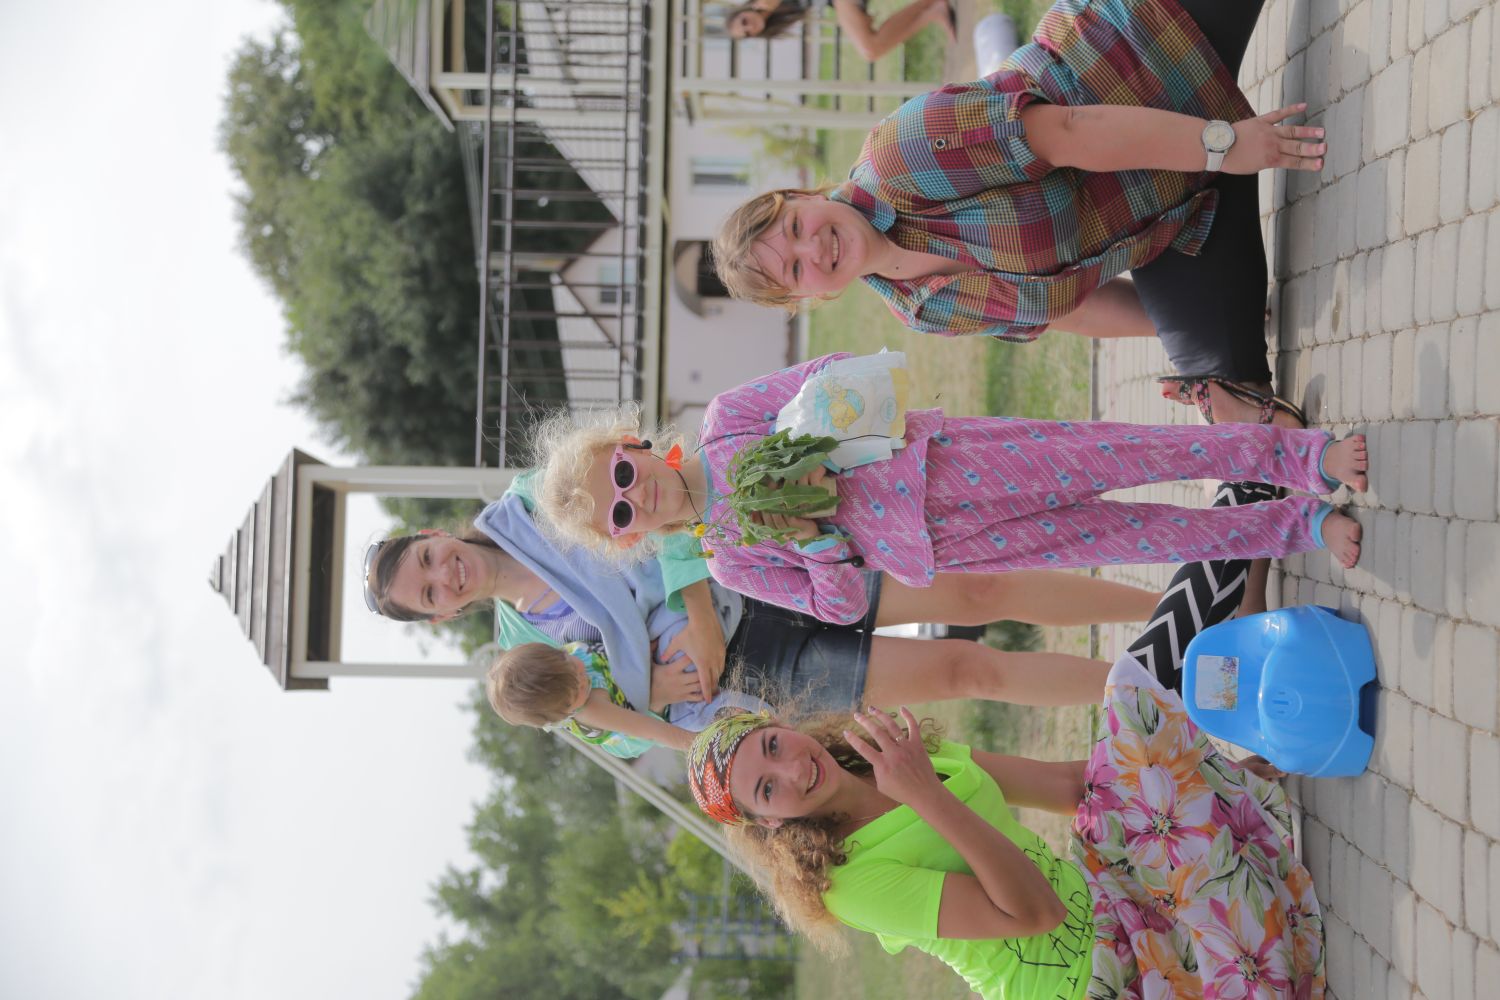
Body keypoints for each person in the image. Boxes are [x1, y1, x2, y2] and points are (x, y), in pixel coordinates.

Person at [681, 481, 1326, 998]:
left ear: (783, 726)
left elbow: (1073, 787)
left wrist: (1202, 774)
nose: (792, 770)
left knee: (1130, 689)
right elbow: (1035, 915)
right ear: (768, 824)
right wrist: (925, 795)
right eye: (768, 789)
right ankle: (1250, 522)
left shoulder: (889, 754)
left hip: (1113, 899)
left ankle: (1253, 495)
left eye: (772, 747)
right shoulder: (850, 885)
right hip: (1093, 982)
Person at [713, 0, 1324, 425]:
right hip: (1187, 213)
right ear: (806, 297)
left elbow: (1070, 131)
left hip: (1150, 51)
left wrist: (1225, 144)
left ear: (803, 196)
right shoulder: (920, 307)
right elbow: (1071, 309)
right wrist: (1185, 336)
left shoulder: (901, 155)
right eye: (795, 269)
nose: (814, 249)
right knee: (1239, 409)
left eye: (795, 227)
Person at [532, 353, 1368, 632]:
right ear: (628, 537)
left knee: (1129, 453)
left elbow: (829, 373)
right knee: (1138, 535)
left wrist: (808, 441)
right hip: (946, 543)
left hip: (951, 460)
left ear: (630, 444)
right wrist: (817, 543)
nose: (634, 495)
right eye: (619, 513)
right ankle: (1297, 527)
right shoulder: (728, 559)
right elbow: (838, 608)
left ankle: (1302, 458)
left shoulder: (725, 422)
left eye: (621, 474)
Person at [363, 470, 1160, 748]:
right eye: (429, 594)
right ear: (439, 617)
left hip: (755, 570)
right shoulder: (521, 658)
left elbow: (652, 491)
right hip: (759, 672)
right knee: (965, 669)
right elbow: (612, 725)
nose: (446, 577)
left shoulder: (532, 500)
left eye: (429, 560)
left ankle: (1171, 612)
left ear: (434, 535)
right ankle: (1162, 685)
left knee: (979, 589)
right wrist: (655, 691)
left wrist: (699, 617)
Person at [487, 641, 695, 754]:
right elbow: (651, 730)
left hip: (623, 671)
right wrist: (699, 745)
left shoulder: (564, 659)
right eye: (575, 692)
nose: (582, 680)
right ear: (563, 714)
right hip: (637, 717)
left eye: (571, 665)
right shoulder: (591, 711)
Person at [724, 0, 957, 61]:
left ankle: (932, 10)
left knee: (870, 48)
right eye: (747, 34)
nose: (750, 28)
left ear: (745, 8)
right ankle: (932, 10)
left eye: (744, 22)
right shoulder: (779, 16)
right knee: (872, 48)